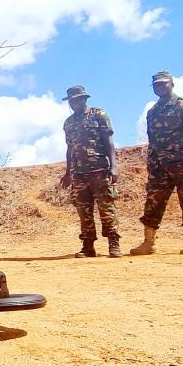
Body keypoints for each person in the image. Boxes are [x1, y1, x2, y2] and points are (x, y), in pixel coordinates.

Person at [130, 71, 183, 256]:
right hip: (159, 166)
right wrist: (151, 163)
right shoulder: (152, 112)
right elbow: (152, 140)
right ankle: (149, 243)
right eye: (156, 85)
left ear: (172, 84)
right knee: (152, 202)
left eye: (163, 83)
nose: (160, 87)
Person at [60, 85, 121, 258]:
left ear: (84, 99)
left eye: (78, 99)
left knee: (107, 208)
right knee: (83, 211)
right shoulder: (68, 123)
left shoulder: (99, 114)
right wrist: (68, 173)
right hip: (78, 174)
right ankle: (88, 246)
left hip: (99, 170)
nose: (74, 103)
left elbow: (109, 141)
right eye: (71, 101)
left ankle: (114, 243)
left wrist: (113, 166)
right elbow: (70, 149)